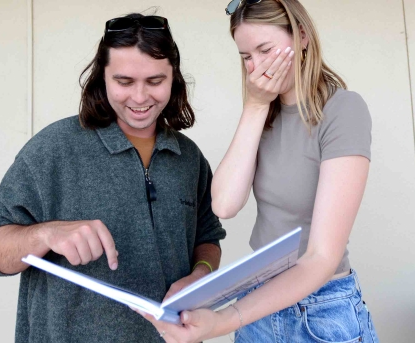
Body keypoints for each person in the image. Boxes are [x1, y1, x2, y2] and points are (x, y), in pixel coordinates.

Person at [0, 13, 226, 343]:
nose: (139, 97)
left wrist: (200, 275)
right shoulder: (54, 147)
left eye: (155, 81)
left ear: (173, 78)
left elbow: (207, 238)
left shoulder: (188, 157)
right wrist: (45, 234)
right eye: (124, 82)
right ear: (101, 78)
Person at [139, 1, 379, 342]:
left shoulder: (343, 111)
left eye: (265, 50)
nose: (256, 67)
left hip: (320, 312)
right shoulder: (264, 115)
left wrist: (223, 322)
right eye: (245, 57)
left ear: (302, 36)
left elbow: (321, 258)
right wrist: (254, 104)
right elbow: (224, 205)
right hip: (259, 306)